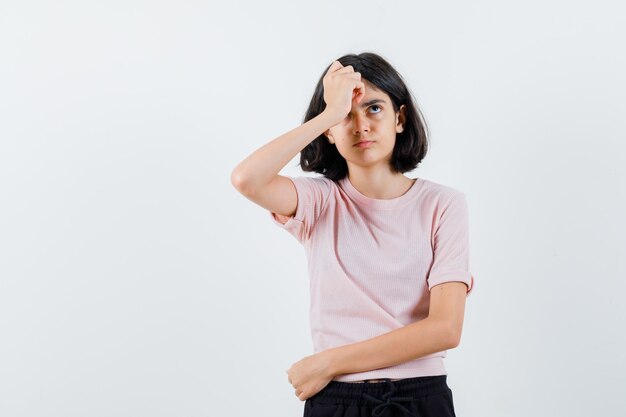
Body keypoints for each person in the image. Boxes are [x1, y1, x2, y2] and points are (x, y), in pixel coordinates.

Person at [231, 52, 475, 417]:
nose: (361, 125)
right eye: (347, 114)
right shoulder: (319, 201)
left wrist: (328, 363)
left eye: (374, 108)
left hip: (419, 397)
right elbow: (246, 179)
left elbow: (445, 329)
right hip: (337, 402)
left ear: (400, 118)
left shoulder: (443, 204)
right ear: (329, 131)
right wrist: (328, 113)